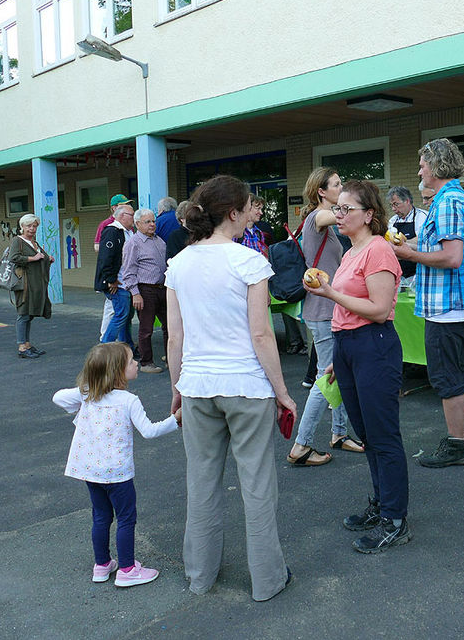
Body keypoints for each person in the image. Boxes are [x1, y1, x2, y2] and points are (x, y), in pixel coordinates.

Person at [165, 174, 296, 601]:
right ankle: (267, 581)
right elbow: (261, 336)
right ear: (234, 213)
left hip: (198, 386)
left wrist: (177, 388)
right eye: (247, 208)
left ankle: (200, 576)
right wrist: (282, 391)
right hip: (246, 386)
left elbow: (175, 337)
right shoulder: (249, 262)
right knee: (258, 486)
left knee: (201, 484)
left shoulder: (179, 264)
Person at [304, 180, 408, 552]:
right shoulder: (351, 251)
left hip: (374, 346)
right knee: (366, 434)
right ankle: (382, 505)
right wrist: (337, 361)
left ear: (369, 215)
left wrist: (331, 293)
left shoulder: (379, 249)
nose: (339, 215)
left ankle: (394, 518)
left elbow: (380, 310)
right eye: (339, 209)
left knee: (383, 435)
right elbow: (348, 311)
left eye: (347, 210)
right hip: (349, 348)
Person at [391, 138, 464, 468]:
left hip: (447, 307)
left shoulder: (448, 201)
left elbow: (451, 257)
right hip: (457, 305)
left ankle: (457, 444)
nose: (419, 169)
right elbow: (443, 245)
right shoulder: (452, 198)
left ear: (437, 166)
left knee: (446, 377)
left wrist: (409, 253)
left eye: (423, 163)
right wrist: (407, 243)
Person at [53, 342, 178, 587]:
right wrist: (176, 420)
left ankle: (101, 565)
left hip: (91, 471)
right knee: (126, 518)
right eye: (131, 361)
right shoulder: (128, 400)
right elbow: (149, 432)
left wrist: (84, 390)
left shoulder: (89, 394)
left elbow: (58, 397)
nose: (136, 364)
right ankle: (128, 569)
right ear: (117, 371)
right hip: (118, 474)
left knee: (100, 516)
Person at [287, 167, 362, 466]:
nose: (340, 188)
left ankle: (339, 434)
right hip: (321, 310)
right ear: (321, 191)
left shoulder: (327, 225)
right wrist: (356, 205)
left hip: (330, 307)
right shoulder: (317, 218)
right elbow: (343, 215)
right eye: (337, 184)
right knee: (326, 375)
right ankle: (301, 444)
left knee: (337, 371)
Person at [122, 208, 168, 373]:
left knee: (169, 326)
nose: (152, 225)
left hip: (162, 289)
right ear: (138, 224)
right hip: (145, 290)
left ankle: (171, 358)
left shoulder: (159, 240)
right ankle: (146, 363)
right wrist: (135, 293)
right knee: (146, 328)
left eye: (153, 221)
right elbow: (128, 271)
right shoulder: (133, 243)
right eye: (147, 222)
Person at [8, 213, 53, 359]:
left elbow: (42, 256)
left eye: (34, 226)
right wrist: (32, 258)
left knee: (29, 315)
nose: (32, 229)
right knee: (23, 314)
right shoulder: (18, 241)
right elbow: (13, 258)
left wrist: (48, 259)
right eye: (29, 226)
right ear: (22, 227)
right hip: (25, 284)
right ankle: (22, 346)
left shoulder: (34, 242)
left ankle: (27, 344)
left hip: (36, 284)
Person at [95, 205, 135, 346]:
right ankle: (106, 346)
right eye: (131, 214)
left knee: (125, 316)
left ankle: (127, 346)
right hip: (118, 283)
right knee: (121, 315)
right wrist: (111, 280)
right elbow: (106, 257)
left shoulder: (128, 232)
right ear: (122, 216)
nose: (134, 217)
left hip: (125, 282)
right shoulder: (112, 231)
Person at [387, 185, 428, 287]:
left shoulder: (422, 217)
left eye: (396, 204)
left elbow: (421, 240)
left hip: (417, 274)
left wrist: (401, 245)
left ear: (407, 201)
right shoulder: (393, 220)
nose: (394, 209)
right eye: (391, 205)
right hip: (399, 274)